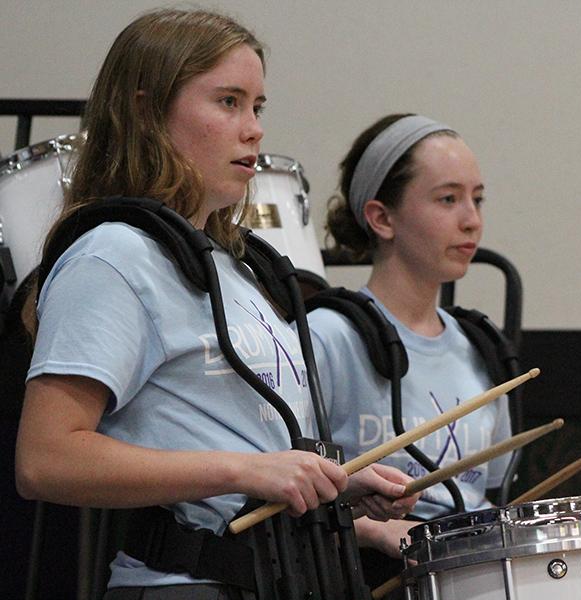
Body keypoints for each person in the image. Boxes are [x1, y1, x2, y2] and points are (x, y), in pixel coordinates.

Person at [14, 9, 416, 598]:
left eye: (258, 107)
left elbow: (239, 479)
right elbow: (45, 460)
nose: (253, 128)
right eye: (228, 102)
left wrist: (336, 490)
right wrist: (247, 469)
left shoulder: (234, 266)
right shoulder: (113, 255)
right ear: (147, 112)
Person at [308, 114, 512, 580]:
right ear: (382, 218)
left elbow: (490, 493)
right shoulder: (329, 337)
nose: (471, 220)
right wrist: (372, 530)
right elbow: (282, 497)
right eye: (448, 199)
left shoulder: (483, 350)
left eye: (477, 200)